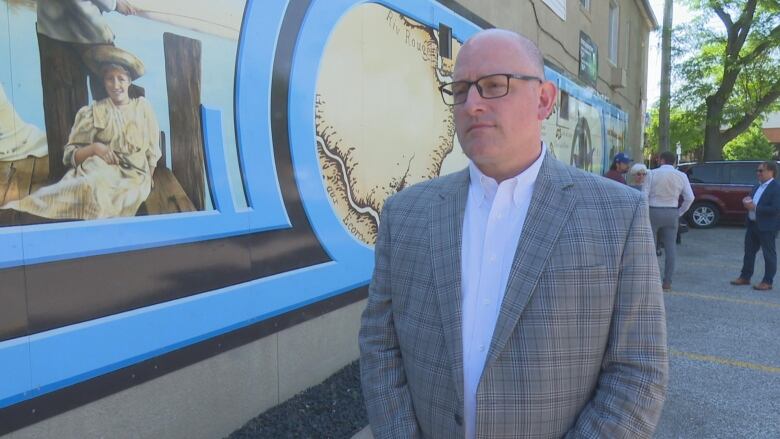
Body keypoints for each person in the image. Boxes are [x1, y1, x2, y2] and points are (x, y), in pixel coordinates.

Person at [359, 29, 668, 439]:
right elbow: (380, 344)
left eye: (493, 86)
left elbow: (638, 369)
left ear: (543, 100)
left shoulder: (617, 214)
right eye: (461, 90)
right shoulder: (406, 214)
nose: (472, 105)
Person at [2, 46, 161, 220]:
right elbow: (71, 155)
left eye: (121, 79)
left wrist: (149, 178)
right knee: (82, 186)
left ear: (129, 81)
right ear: (103, 81)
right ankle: (23, 212)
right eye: (110, 79)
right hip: (98, 169)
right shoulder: (94, 112)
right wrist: (95, 148)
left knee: (105, 198)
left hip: (134, 176)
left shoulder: (143, 108)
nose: (116, 85)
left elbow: (152, 150)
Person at [646, 151, 694, 292]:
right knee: (670, 248)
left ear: (661, 160)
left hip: (653, 210)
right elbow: (690, 198)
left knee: (651, 248)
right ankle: (667, 281)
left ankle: (651, 280)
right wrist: (679, 212)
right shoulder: (681, 176)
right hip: (671, 211)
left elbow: (644, 195)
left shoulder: (651, 173)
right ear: (673, 162)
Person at [730, 161, 780, 291]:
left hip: (767, 227)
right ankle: (745, 277)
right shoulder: (757, 186)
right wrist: (747, 202)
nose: (758, 173)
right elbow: (752, 200)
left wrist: (755, 207)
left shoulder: (776, 187)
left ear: (771, 172)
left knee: (768, 255)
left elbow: (775, 209)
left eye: (761, 171)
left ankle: (767, 281)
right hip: (752, 224)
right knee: (749, 252)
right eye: (757, 171)